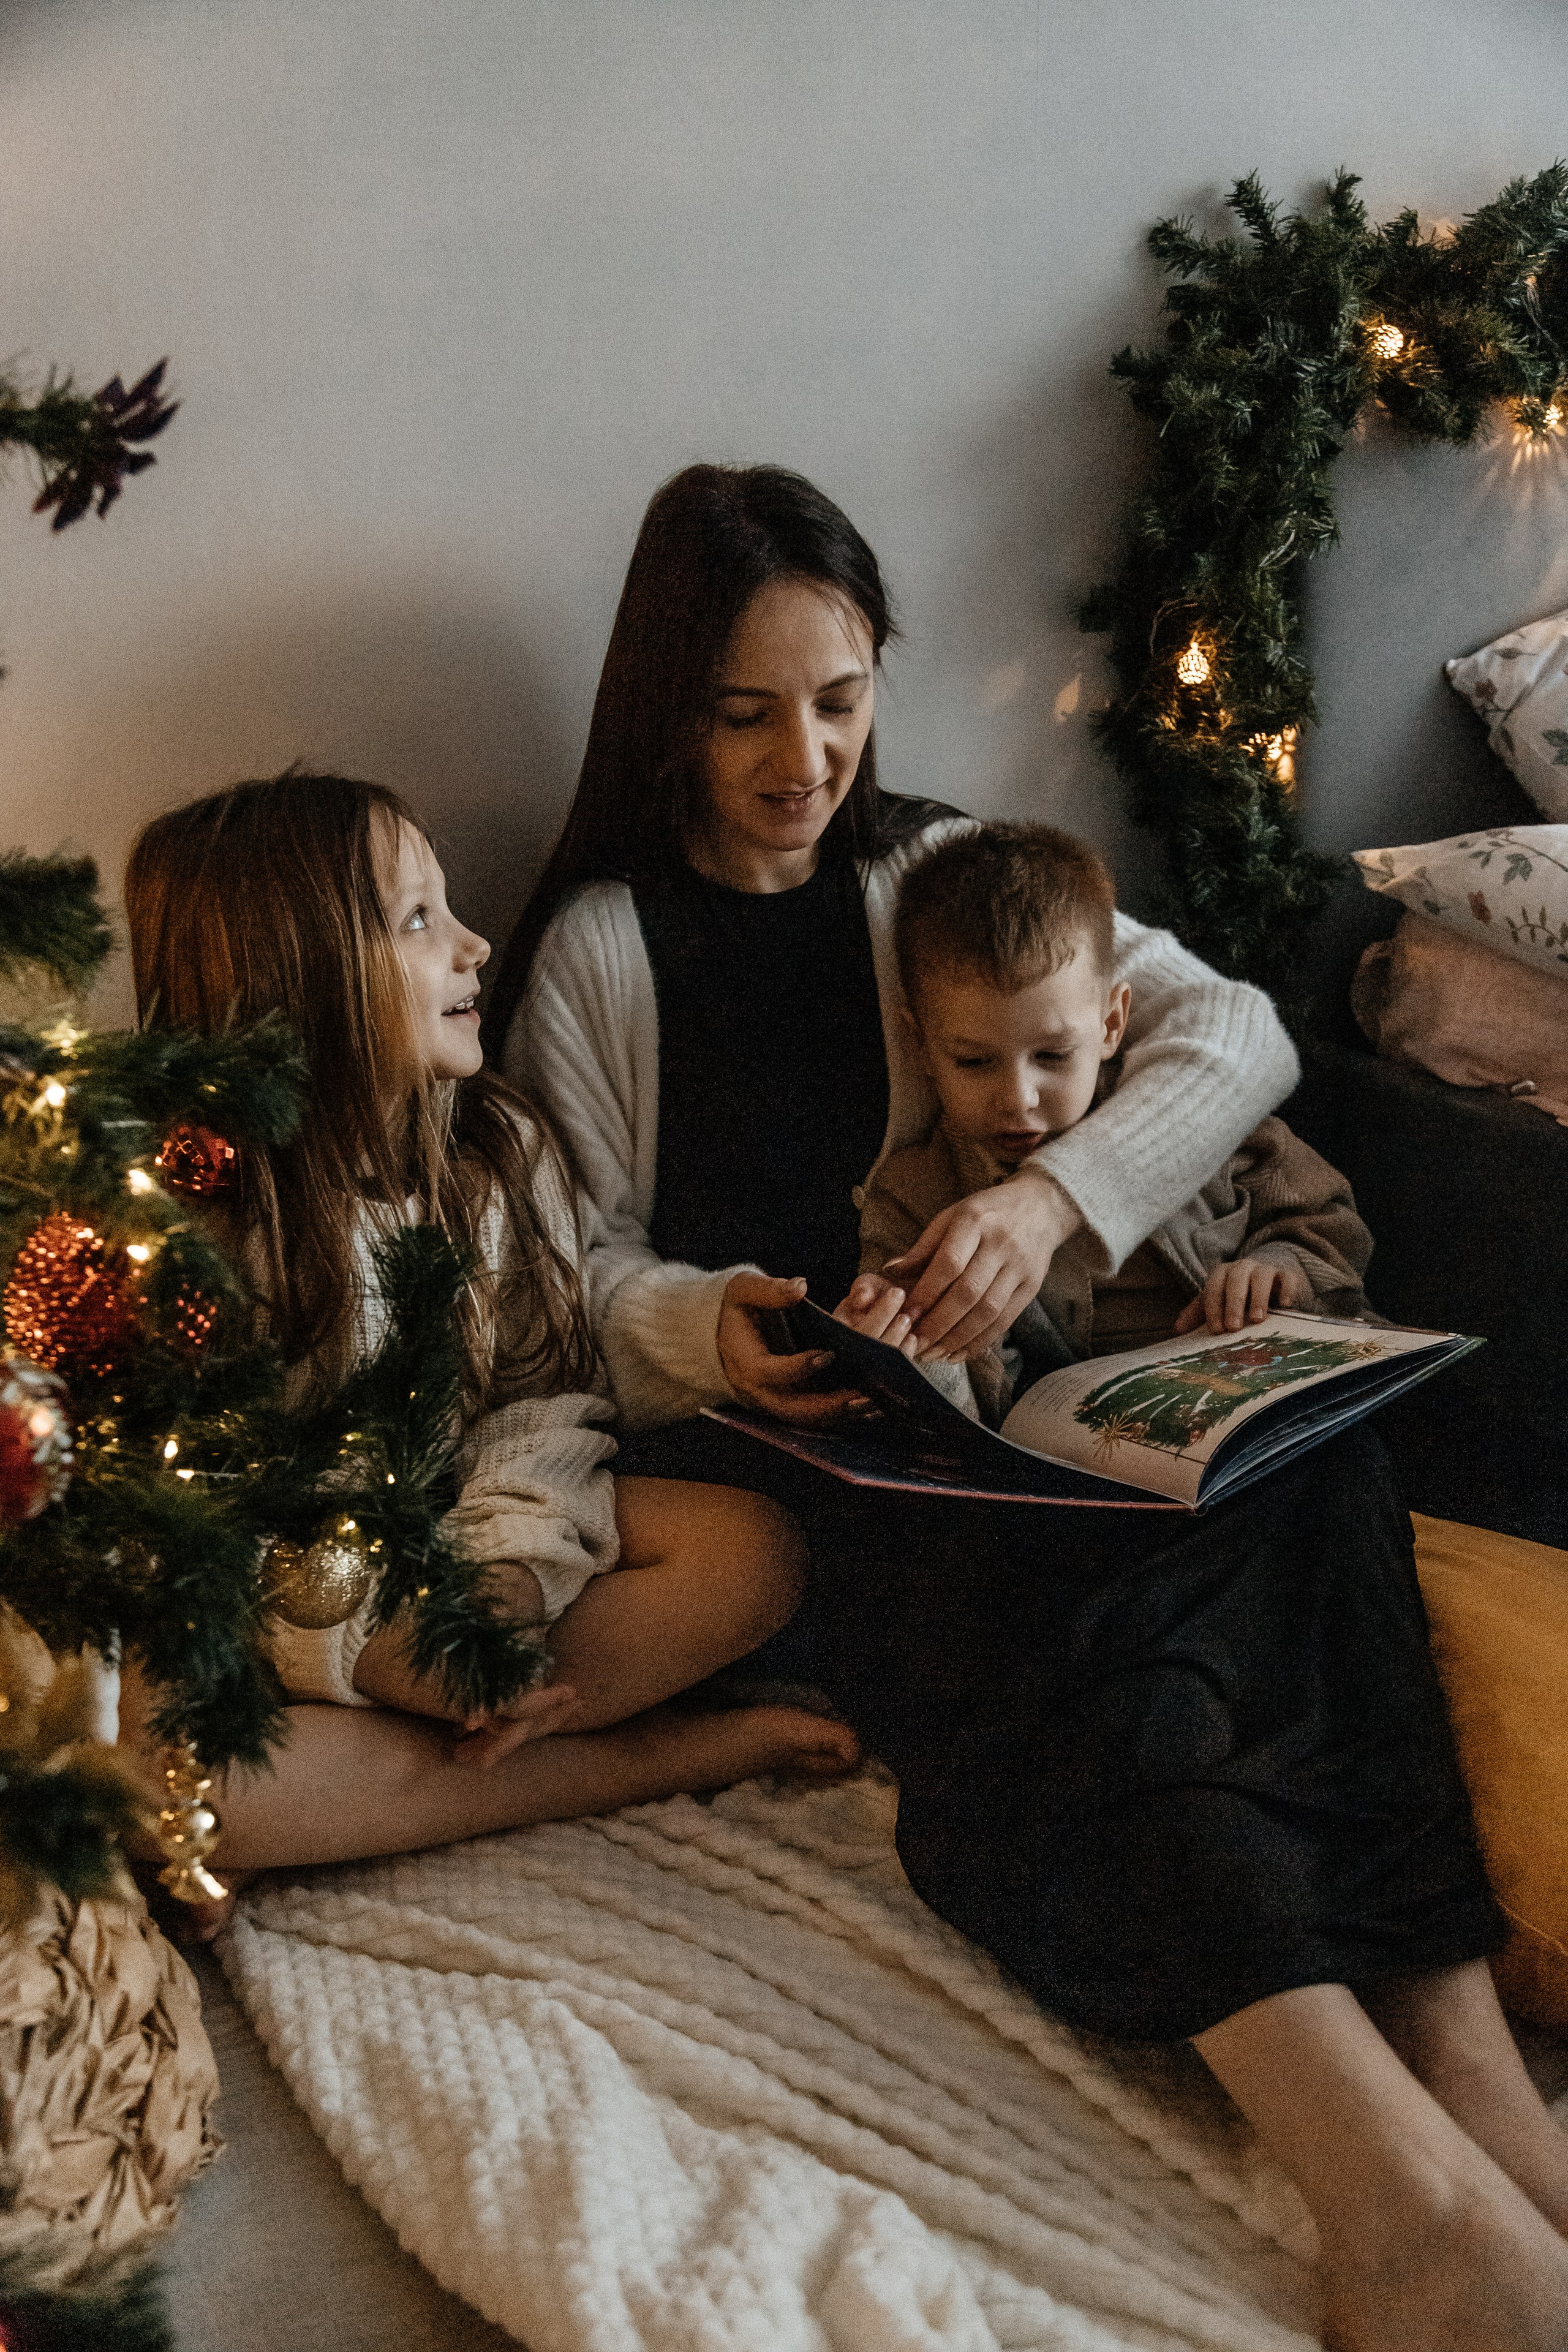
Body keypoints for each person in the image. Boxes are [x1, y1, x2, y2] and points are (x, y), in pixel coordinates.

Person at [494, 461, 1568, 2352]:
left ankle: (1478, 2086)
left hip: (1043, 1413)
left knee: (1313, 1490)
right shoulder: (597, 948)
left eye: (838, 699)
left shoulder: (936, 870)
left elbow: (1230, 1028)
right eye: (744, 710)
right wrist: (713, 1327)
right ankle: (1386, 2184)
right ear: (666, 705)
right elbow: (564, 1281)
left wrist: (1048, 1195)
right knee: (1097, 1640)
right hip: (817, 1454)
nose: (801, 756)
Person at [118, 773, 858, 1909]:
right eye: (419, 919)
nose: (474, 944)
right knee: (172, 1780)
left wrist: (502, 1590)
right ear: (302, 977)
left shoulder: (498, 1153)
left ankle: (432, 1749)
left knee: (751, 1555)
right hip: (281, 1616)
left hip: (465, 1537)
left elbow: (542, 1409)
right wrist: (373, 1649)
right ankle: (640, 1761)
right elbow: (188, 1525)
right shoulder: (189, 1221)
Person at [840, 820, 1374, 1424]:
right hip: (1086, 1462)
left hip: (1255, 1415)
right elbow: (957, 1423)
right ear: (920, 1046)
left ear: (1113, 1022)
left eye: (1052, 1056)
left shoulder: (1195, 1113)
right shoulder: (913, 1200)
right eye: (974, 1061)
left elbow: (1331, 1225)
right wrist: (900, 1350)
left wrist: (1280, 1271)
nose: (1018, 1100)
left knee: (1345, 1467)